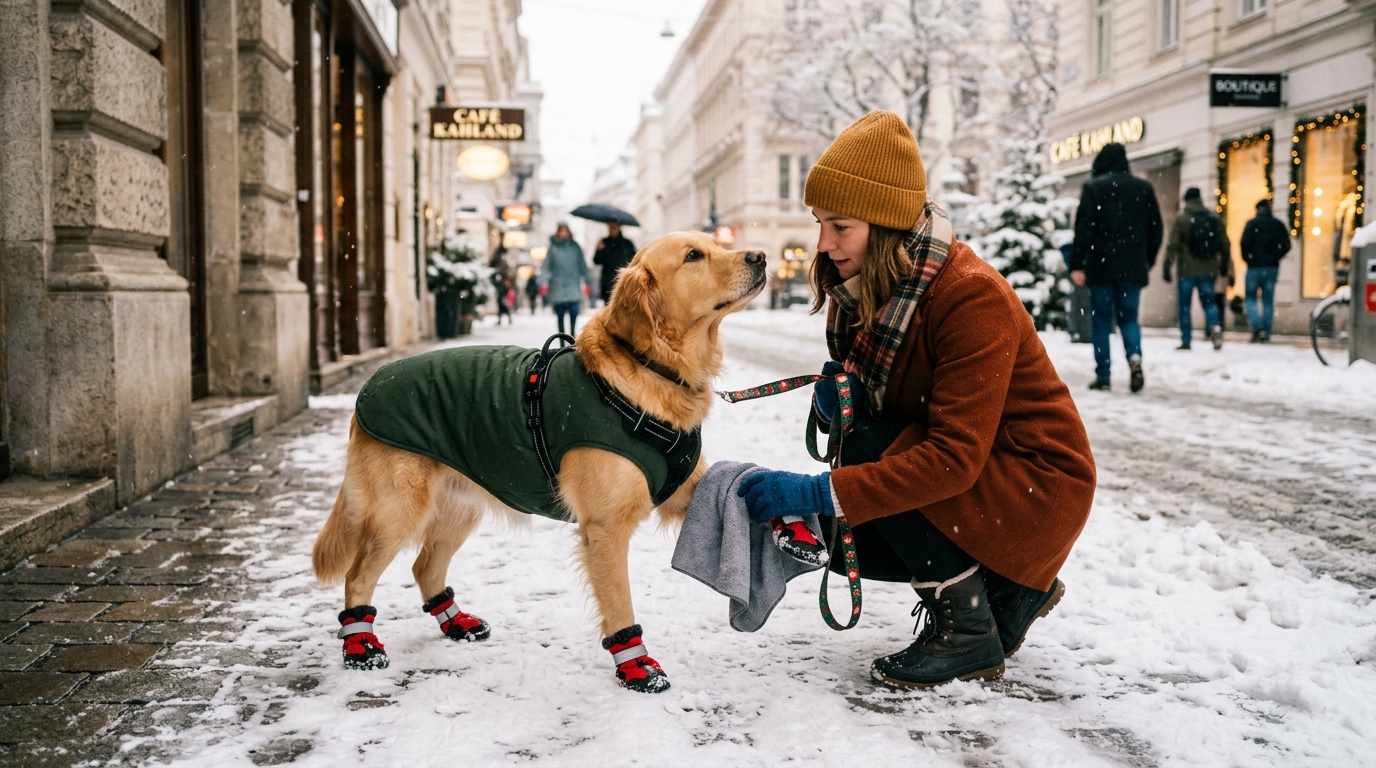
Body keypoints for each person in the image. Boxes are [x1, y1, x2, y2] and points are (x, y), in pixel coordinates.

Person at [735, 111, 1096, 689]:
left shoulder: (969, 298)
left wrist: (816, 491)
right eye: (819, 224)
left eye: (841, 226)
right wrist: (834, 404)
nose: (824, 246)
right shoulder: (869, 291)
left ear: (885, 226)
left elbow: (952, 459)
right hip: (984, 484)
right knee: (840, 530)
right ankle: (1004, 592)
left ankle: (968, 629)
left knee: (861, 468)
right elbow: (887, 420)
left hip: (1035, 487)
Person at [1069, 142, 1163, 393]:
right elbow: (1156, 229)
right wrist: (1147, 259)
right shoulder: (1143, 188)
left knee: (1101, 321)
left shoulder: (1093, 188)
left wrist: (1078, 264)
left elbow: (1083, 230)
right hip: (1132, 267)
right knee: (1129, 317)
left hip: (1101, 266)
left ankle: (1104, 374)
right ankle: (1134, 359)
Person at [1163, 188, 1230, 351]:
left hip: (1187, 270)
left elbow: (1173, 245)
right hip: (1208, 269)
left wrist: (1167, 266)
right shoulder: (1213, 217)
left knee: (1184, 306)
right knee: (1209, 303)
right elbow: (1225, 243)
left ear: (1186, 200)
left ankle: (1186, 340)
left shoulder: (1182, 218)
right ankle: (1215, 327)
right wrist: (1224, 265)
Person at [1240, 198, 1291, 343]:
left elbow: (1244, 243)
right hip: (1271, 267)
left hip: (1254, 267)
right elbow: (1286, 245)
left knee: (1250, 298)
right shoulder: (1277, 224)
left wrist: (1249, 259)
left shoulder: (1252, 224)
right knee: (1268, 300)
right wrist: (1275, 257)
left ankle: (1258, 327)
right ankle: (1266, 333)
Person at [540, 223, 592, 336]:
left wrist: (588, 281)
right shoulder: (552, 248)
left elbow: (582, 265)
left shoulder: (575, 247)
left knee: (574, 312)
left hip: (573, 285)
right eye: (561, 231)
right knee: (560, 316)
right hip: (558, 286)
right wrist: (542, 281)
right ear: (558, 232)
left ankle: (572, 337)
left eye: (565, 231)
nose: (564, 233)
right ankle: (561, 340)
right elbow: (546, 266)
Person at [592, 222, 637, 306]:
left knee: (624, 309)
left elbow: (635, 260)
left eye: (614, 227)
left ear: (619, 228)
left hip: (624, 282)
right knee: (609, 310)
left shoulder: (627, 244)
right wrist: (599, 250)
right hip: (607, 284)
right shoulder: (604, 243)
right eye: (610, 227)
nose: (612, 230)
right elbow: (596, 261)